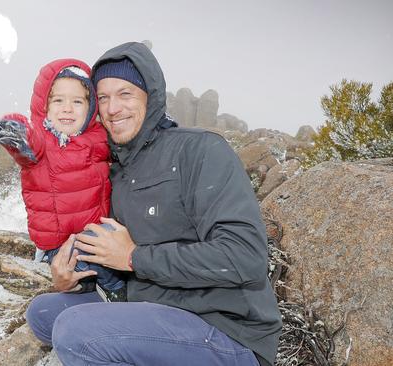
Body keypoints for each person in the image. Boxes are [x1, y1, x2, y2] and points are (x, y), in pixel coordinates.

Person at [25, 42, 282, 366]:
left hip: (226, 330)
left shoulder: (199, 150)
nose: (113, 108)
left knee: (75, 332)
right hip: (154, 308)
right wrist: (71, 280)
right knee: (42, 314)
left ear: (152, 96)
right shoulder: (115, 170)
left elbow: (244, 258)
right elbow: (111, 262)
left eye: (125, 94)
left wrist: (134, 257)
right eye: (103, 98)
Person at [0, 58, 126, 301]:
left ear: (91, 107)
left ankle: (99, 290)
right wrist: (18, 132)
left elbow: (127, 147)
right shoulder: (43, 144)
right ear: (44, 105)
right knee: (100, 264)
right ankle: (114, 293)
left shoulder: (98, 137)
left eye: (77, 101)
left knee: (106, 243)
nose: (67, 108)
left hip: (94, 236)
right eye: (58, 100)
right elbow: (30, 144)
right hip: (60, 247)